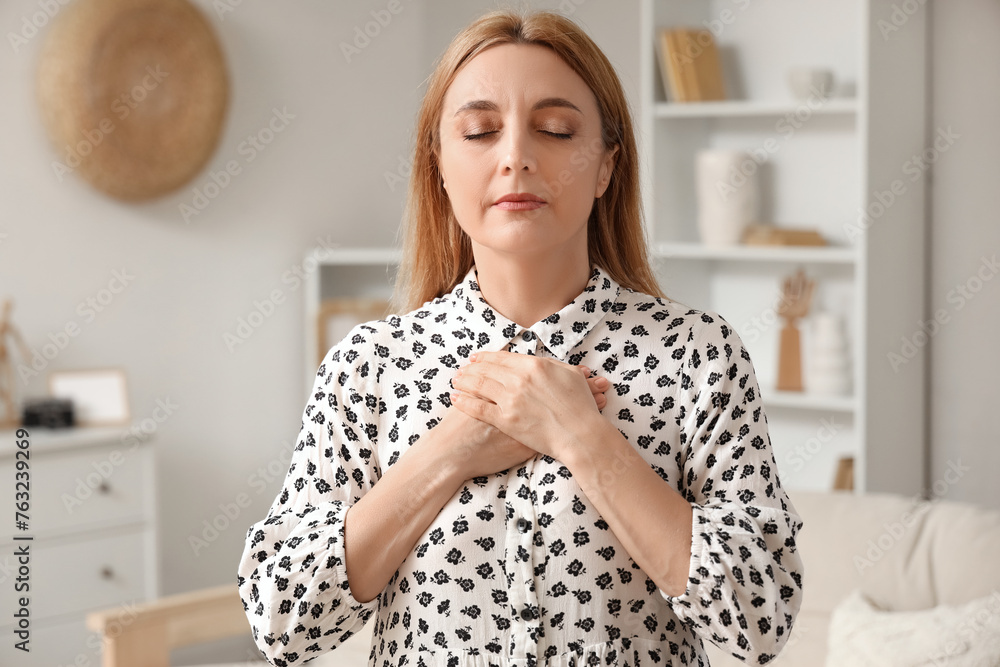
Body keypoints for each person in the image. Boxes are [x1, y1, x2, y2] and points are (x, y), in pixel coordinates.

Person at [238, 8, 804, 666]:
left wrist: (583, 437)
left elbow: (758, 619)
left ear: (605, 168)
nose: (516, 157)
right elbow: (280, 618)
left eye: (556, 130)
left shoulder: (699, 354)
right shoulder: (369, 366)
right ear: (440, 167)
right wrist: (451, 449)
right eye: (480, 132)